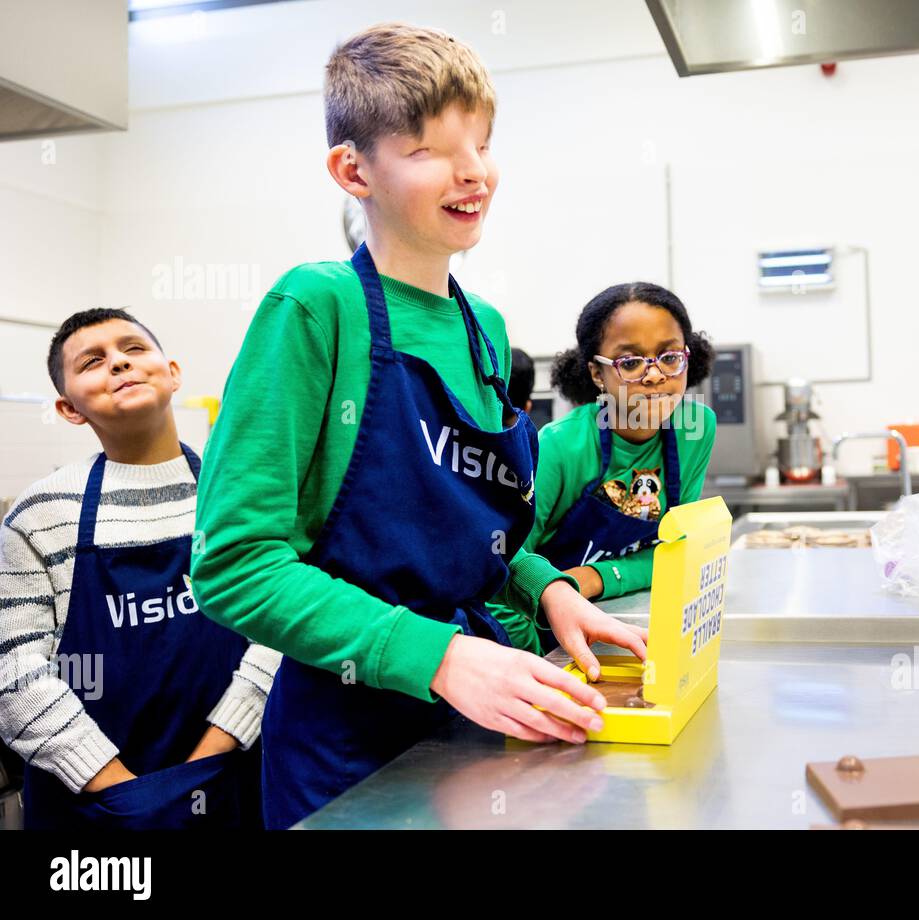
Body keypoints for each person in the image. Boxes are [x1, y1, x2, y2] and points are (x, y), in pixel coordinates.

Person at [189, 23, 647, 830]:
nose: (473, 170)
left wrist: (546, 592)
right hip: (348, 738)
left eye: (481, 141)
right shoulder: (316, 308)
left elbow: (473, 541)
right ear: (352, 169)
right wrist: (435, 657)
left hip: (479, 709)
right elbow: (234, 567)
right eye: (431, 149)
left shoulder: (487, 331)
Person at [0, 308, 279, 829]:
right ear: (69, 408)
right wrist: (128, 797)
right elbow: (12, 670)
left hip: (233, 780)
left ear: (172, 372)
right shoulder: (39, 516)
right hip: (93, 809)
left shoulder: (237, 495)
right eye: (93, 361)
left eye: (133, 349)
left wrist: (207, 765)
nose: (119, 365)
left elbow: (279, 629)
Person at [486, 282, 715, 652]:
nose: (655, 375)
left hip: (622, 623)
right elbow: (503, 567)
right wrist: (538, 657)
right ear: (596, 372)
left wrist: (596, 577)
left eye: (669, 357)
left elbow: (678, 550)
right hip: (540, 637)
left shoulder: (696, 430)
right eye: (630, 362)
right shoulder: (560, 446)